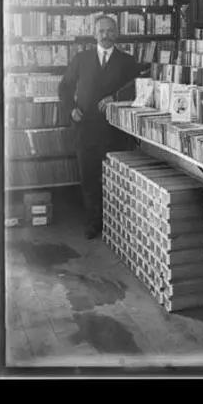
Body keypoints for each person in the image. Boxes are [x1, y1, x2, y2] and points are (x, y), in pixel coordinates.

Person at [59, 15, 141, 239]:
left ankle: (118, 225)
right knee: (89, 177)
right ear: (95, 34)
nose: (106, 35)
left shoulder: (127, 60)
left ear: (117, 33)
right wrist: (71, 108)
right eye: (102, 31)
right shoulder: (81, 58)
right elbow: (64, 87)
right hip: (85, 127)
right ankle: (94, 223)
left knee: (115, 177)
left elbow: (136, 88)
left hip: (115, 130)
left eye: (110, 31)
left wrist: (115, 97)